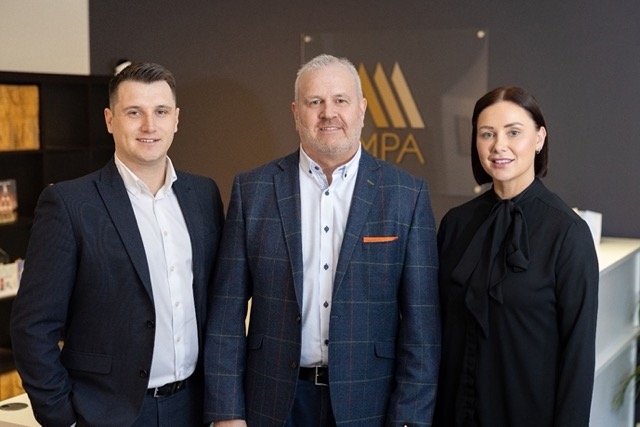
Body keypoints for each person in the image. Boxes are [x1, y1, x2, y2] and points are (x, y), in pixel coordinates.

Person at [203, 54, 441, 426]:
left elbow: (422, 328)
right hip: (273, 401)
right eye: (315, 102)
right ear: (297, 113)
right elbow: (226, 313)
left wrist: (410, 418)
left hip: (369, 403)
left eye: (340, 100)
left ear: (361, 109)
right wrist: (226, 413)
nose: (328, 113)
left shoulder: (405, 195)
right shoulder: (253, 190)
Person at [10, 62, 224, 426]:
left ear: (176, 119)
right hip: (107, 414)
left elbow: (217, 303)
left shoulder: (203, 195)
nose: (149, 126)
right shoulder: (69, 204)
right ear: (110, 120)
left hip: (194, 407)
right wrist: (64, 418)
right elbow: (32, 326)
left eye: (160, 111)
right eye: (133, 112)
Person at [434, 86, 599, 426]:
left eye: (513, 132)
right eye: (487, 134)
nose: (499, 146)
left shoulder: (568, 233)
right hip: (453, 414)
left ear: (539, 138)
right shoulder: (455, 224)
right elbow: (437, 331)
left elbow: (578, 358)